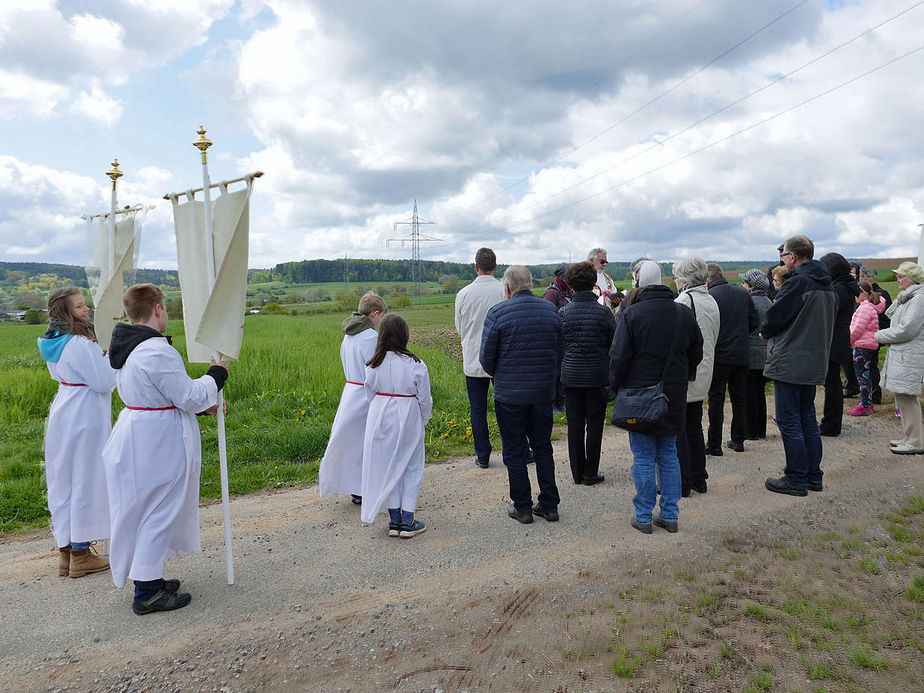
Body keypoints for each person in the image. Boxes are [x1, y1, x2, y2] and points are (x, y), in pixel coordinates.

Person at [103, 284, 228, 615]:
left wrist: (202, 401)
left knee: (146, 507)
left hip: (139, 430)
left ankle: (150, 578)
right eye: (166, 307)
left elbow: (162, 394)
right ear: (157, 309)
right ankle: (146, 591)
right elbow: (186, 395)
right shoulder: (155, 351)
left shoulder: (128, 347)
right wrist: (216, 377)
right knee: (159, 508)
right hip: (156, 440)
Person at [610, 269, 703, 533]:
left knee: (643, 456)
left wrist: (613, 387)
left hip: (639, 395)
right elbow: (697, 350)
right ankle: (670, 515)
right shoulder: (683, 313)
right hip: (673, 393)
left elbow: (618, 357)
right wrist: (683, 376)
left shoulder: (631, 314)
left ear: (639, 283)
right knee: (668, 454)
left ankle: (643, 516)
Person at [37, 287, 115, 579]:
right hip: (85, 413)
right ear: (67, 312)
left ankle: (66, 553)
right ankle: (81, 554)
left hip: (63, 410)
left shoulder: (52, 341)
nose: (86, 310)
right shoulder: (80, 343)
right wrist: (111, 359)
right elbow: (104, 381)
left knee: (64, 479)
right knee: (86, 477)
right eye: (80, 307)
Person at [481, 265, 563, 524]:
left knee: (515, 451)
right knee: (542, 447)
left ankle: (523, 507)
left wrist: (503, 376)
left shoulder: (497, 314)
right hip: (542, 392)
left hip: (510, 395)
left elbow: (486, 359)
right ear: (531, 284)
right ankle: (549, 505)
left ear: (507, 288)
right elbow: (559, 352)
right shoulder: (550, 311)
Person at [761, 236, 836, 496]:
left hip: (791, 360)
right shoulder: (827, 285)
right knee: (807, 418)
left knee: (788, 420)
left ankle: (796, 478)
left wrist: (765, 332)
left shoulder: (798, 283)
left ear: (793, 257)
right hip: (815, 359)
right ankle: (813, 475)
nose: (781, 260)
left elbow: (774, 317)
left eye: (783, 256)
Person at [360, 314, 433, 537]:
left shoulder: (373, 365)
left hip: (380, 416)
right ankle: (408, 520)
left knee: (386, 465)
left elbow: (369, 393)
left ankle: (394, 521)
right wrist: (423, 419)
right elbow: (425, 398)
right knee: (411, 465)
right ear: (405, 335)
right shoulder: (416, 364)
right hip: (408, 411)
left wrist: (381, 410)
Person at [318, 292, 387, 503]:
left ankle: (357, 488)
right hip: (365, 394)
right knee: (366, 443)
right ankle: (364, 489)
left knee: (351, 443)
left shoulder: (349, 335)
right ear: (374, 314)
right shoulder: (370, 337)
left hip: (351, 391)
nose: (380, 322)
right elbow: (375, 369)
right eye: (381, 317)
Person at [558, 261, 616, 485]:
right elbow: (614, 345)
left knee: (574, 426)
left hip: (571, 378)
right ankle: (591, 473)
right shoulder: (604, 314)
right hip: (597, 377)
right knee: (595, 425)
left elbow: (559, 347)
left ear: (571, 285)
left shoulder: (562, 313)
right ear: (594, 283)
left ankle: (577, 473)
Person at [454, 248, 507, 468]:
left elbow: (459, 328)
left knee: (478, 409)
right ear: (496, 267)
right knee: (506, 406)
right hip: (501, 359)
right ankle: (516, 449)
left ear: (476, 267)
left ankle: (483, 455)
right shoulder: (504, 291)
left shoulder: (463, 294)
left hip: (474, 358)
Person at [673, 258, 719, 497]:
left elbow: (678, 340)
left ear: (685, 279)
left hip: (688, 372)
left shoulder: (684, 300)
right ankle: (699, 477)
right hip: (705, 369)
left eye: (677, 276)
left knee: (680, 428)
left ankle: (683, 480)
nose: (675, 280)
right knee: (694, 426)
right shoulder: (710, 299)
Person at [705, 263, 759, 455]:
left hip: (719, 355)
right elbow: (755, 322)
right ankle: (738, 441)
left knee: (716, 400)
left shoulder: (710, 296)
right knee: (739, 398)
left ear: (708, 280)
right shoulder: (742, 293)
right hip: (741, 354)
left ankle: (714, 444)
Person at [875, 261, 924, 455]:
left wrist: (879, 336)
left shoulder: (918, 299)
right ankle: (909, 437)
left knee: (908, 397)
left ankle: (916, 441)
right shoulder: (910, 298)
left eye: (900, 276)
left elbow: (907, 329)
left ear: (911, 279)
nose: (897, 279)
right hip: (904, 354)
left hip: (909, 355)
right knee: (903, 397)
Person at [817, 253, 861, 437]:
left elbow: (828, 312)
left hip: (834, 339)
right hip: (839, 337)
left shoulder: (839, 289)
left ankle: (831, 424)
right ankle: (831, 422)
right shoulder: (845, 286)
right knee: (832, 382)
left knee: (832, 383)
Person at [740, 269, 773, 440]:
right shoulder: (768, 300)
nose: (742, 285)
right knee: (759, 392)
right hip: (765, 352)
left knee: (750, 392)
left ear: (751, 285)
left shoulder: (750, 302)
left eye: (744, 282)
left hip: (752, 352)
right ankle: (761, 429)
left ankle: (751, 431)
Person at [848, 280, 886, 416]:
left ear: (862, 293)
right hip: (868, 345)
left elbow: (857, 328)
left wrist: (848, 340)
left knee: (862, 376)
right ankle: (867, 402)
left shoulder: (864, 308)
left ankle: (865, 404)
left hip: (862, 345)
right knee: (865, 375)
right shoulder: (870, 306)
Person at [861, 267, 892, 405]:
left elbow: (884, 317)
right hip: (878, 334)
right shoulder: (884, 293)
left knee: (869, 366)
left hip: (872, 335)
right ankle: (874, 394)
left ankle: (873, 394)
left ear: (867, 278)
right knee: (871, 365)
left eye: (862, 276)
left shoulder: (874, 294)